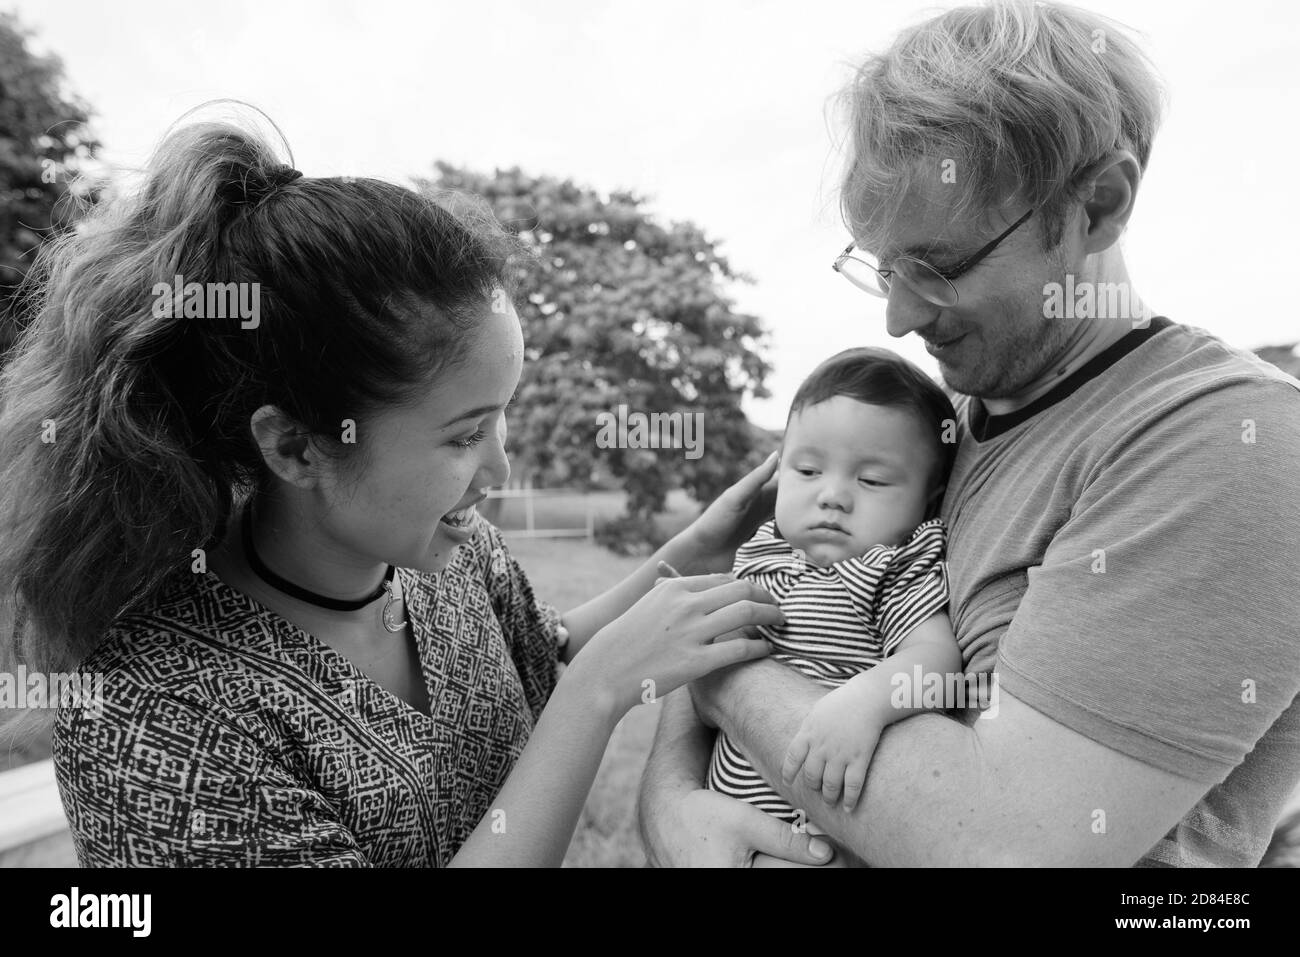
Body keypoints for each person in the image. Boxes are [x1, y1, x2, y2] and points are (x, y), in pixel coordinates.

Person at [0, 112, 785, 867]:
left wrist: (693, 549)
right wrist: (598, 693)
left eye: (501, 418)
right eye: (463, 434)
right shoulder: (160, 716)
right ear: (296, 446)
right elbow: (578, 681)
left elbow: (539, 658)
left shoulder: (446, 551)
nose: (501, 470)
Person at [638, 0, 1300, 867]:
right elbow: (752, 583)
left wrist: (720, 675)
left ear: (1099, 203)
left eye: (939, 267)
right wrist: (672, 803)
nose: (899, 313)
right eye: (882, 265)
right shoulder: (928, 433)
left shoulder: (1226, 444)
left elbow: (1004, 845)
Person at [707, 347, 961, 819]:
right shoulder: (762, 551)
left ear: (929, 500)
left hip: (824, 828)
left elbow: (938, 662)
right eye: (807, 471)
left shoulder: (893, 567)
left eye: (872, 480)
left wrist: (863, 703)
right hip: (725, 815)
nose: (832, 496)